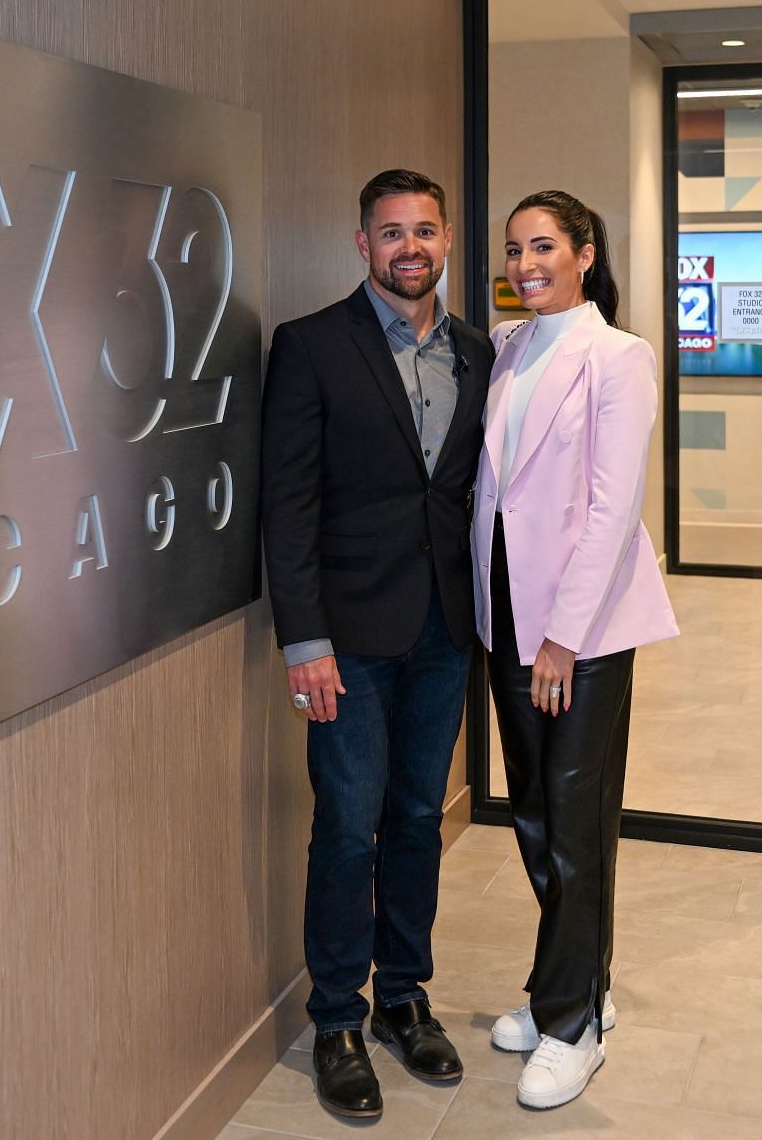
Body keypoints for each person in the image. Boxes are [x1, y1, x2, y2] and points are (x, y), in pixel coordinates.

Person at [259, 169, 493, 1120]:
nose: (410, 247)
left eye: (425, 230)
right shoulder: (312, 346)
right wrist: (303, 640)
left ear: (446, 242)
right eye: (391, 231)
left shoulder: (480, 354)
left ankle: (403, 995)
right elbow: (289, 502)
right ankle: (335, 1018)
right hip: (346, 638)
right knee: (346, 825)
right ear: (362, 243)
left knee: (417, 818)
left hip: (446, 629)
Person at [471, 190, 678, 1110]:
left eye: (544, 245)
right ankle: (575, 986)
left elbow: (611, 505)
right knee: (537, 817)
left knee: (574, 813)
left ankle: (571, 1025)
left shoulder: (618, 357)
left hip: (578, 630)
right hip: (505, 613)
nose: (525, 264)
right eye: (515, 249)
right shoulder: (513, 349)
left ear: (585, 253)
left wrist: (562, 636)